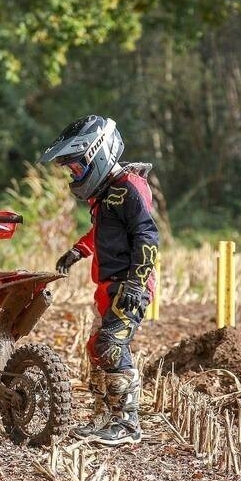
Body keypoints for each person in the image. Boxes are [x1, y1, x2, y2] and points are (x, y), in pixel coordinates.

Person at [40, 115, 160, 447]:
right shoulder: (106, 194)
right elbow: (102, 232)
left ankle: (127, 423)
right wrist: (78, 251)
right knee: (96, 348)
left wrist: (137, 282)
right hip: (108, 286)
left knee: (111, 346)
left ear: (97, 153)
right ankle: (104, 416)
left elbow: (147, 237)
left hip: (129, 286)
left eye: (76, 169)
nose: (73, 175)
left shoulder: (129, 188)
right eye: (71, 171)